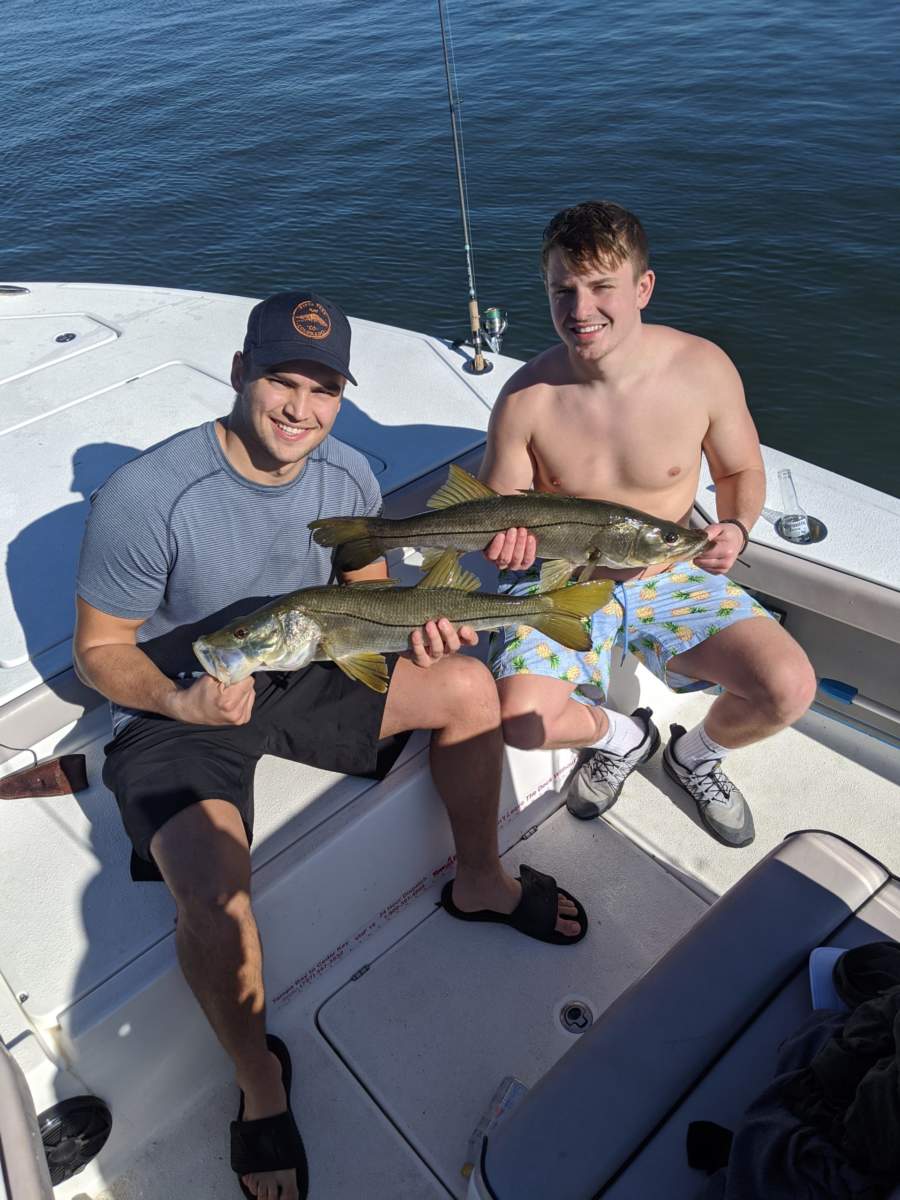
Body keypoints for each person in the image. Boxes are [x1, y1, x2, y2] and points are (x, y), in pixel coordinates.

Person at [73, 291, 587, 1200]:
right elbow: (100, 652)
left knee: (469, 685)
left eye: (324, 388)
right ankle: (260, 1077)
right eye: (282, 380)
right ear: (239, 374)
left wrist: (415, 635)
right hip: (179, 695)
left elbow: (369, 589)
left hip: (309, 657)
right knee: (213, 891)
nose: (301, 409)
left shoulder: (348, 477)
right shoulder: (146, 498)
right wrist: (178, 702)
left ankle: (479, 878)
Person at [481, 201, 816, 848]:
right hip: (563, 580)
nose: (580, 310)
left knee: (788, 687)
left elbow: (741, 472)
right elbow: (501, 508)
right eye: (563, 290)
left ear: (643, 287)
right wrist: (509, 548)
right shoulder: (525, 397)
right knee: (523, 720)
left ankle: (694, 756)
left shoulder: (703, 369)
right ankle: (623, 736)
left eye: (602, 287)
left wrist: (736, 529)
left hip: (669, 570)